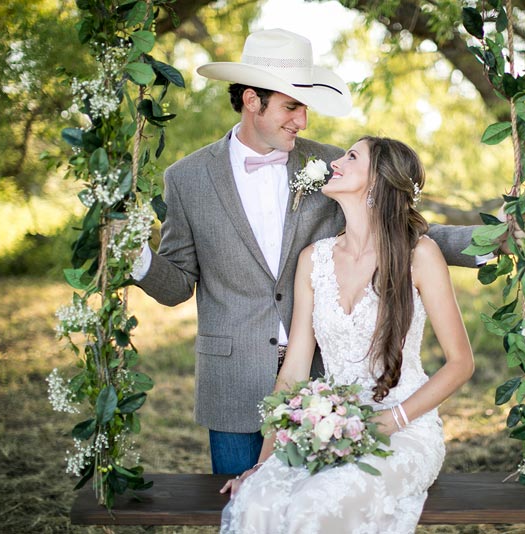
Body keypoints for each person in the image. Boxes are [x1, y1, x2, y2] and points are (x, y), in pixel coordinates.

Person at [133, 28, 479, 476]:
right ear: (252, 101)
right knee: (245, 509)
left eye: (305, 107)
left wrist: (491, 244)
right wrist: (137, 259)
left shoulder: (333, 164)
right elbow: (178, 281)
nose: (302, 121)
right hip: (232, 381)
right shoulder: (187, 179)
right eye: (291, 106)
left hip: (324, 388)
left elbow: (397, 229)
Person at [220, 136, 475, 533]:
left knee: (317, 505)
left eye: (351, 157)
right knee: (259, 500)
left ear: (377, 182)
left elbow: (461, 363)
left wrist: (393, 419)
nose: (335, 162)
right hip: (326, 427)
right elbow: (293, 374)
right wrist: (262, 462)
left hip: (404, 431)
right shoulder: (314, 260)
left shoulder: (419, 255)